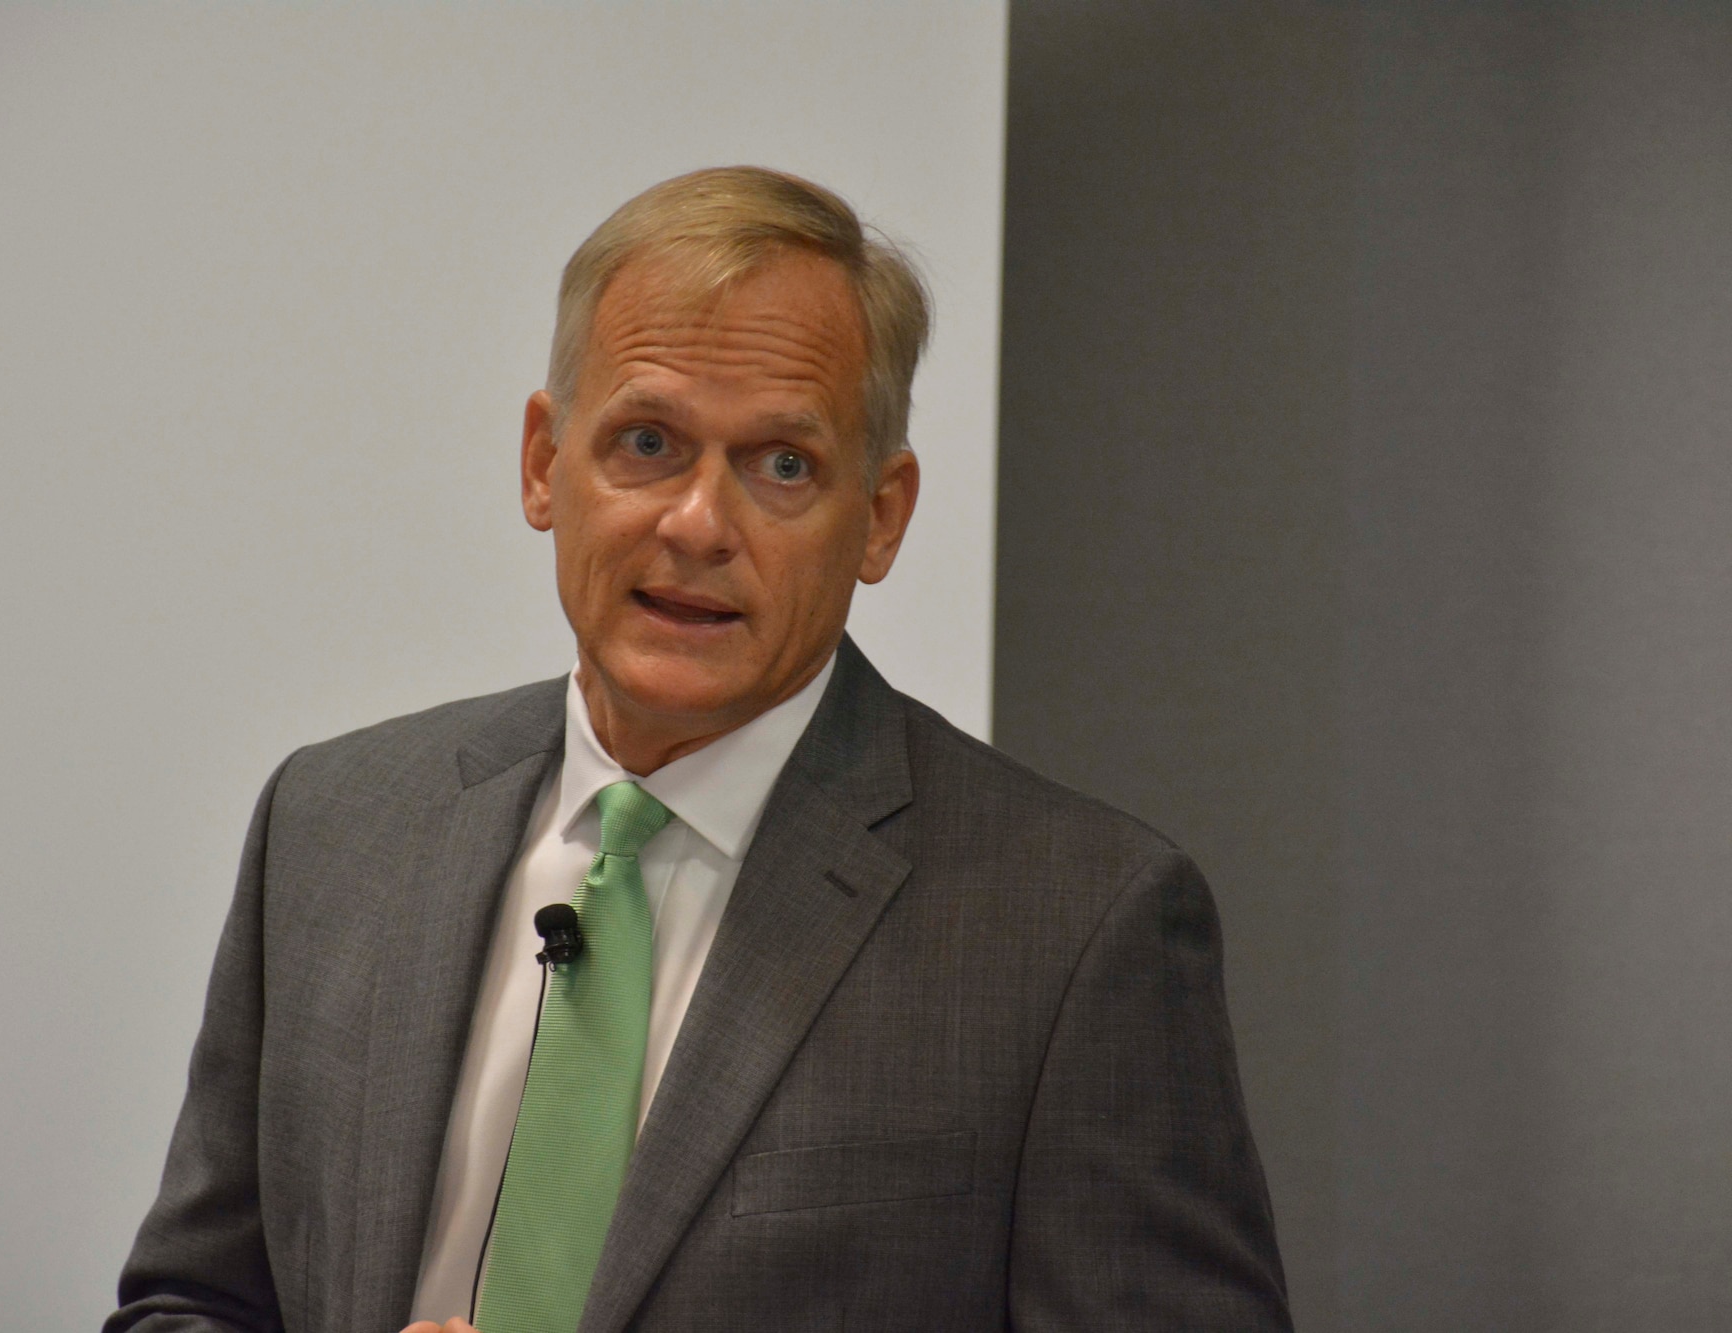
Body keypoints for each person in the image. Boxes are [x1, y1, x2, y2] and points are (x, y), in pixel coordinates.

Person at [107, 166, 1291, 1333]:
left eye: (783, 464)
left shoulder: (1074, 926)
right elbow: (192, 1302)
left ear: (879, 516)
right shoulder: (333, 826)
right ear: (541, 462)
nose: (698, 524)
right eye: (646, 442)